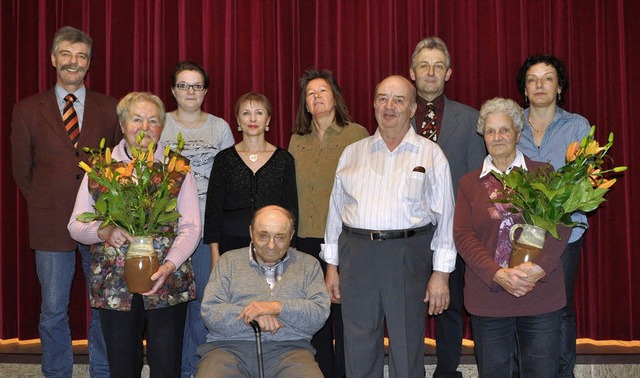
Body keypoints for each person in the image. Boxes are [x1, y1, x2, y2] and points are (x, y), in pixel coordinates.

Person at [322, 75, 457, 377]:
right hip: (356, 255)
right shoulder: (352, 154)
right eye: (382, 98)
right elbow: (335, 212)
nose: (389, 106)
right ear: (373, 105)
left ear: (412, 108)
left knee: (407, 345)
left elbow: (447, 217)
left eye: (399, 100)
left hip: (407, 255)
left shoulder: (431, 155)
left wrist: (441, 274)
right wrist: (331, 265)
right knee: (358, 344)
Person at [10, 26, 120, 378]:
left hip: (100, 223)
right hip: (50, 222)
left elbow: (119, 164)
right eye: (67, 54)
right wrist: (49, 201)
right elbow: (21, 172)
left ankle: (102, 371)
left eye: (82, 56)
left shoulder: (111, 108)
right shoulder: (27, 110)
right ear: (54, 58)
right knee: (53, 308)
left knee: (104, 304)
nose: (74, 62)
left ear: (89, 64)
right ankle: (56, 372)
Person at [68, 92, 201, 377]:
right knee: (123, 368)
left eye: (153, 121)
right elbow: (75, 226)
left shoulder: (176, 168)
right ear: (122, 123)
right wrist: (103, 231)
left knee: (167, 367)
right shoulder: (100, 168)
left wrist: (170, 265)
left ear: (162, 127)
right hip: (115, 285)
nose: (145, 127)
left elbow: (190, 227)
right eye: (137, 119)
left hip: (167, 282)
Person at [454, 97, 571, 377]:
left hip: (539, 294)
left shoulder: (544, 174)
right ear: (483, 137)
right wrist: (497, 273)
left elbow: (561, 227)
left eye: (504, 130)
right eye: (491, 131)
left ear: (518, 134)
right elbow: (463, 235)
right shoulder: (469, 184)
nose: (497, 137)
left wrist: (539, 268)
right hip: (489, 299)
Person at [409, 36, 486, 378]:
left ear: (449, 73)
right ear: (412, 72)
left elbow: (475, 182)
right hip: (405, 233)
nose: (431, 72)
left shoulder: (470, 120)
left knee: (452, 306)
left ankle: (446, 370)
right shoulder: (395, 113)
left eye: (438, 66)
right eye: (424, 65)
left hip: (452, 230)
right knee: (406, 307)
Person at [288, 68, 368, 377]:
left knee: (344, 313)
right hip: (305, 241)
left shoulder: (356, 134)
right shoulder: (297, 139)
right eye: (310, 94)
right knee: (315, 313)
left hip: (344, 240)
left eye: (322, 91)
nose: (317, 97)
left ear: (334, 96)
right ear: (305, 104)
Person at [515, 55, 590, 378]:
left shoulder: (576, 125)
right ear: (525, 88)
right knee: (518, 304)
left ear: (559, 87)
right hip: (517, 233)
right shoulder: (512, 123)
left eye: (547, 78)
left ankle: (562, 372)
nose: (539, 85)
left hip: (564, 234)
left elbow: (586, 179)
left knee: (559, 307)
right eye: (532, 79)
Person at [160, 60, 235, 377]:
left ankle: (199, 369)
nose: (190, 91)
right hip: (167, 233)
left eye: (197, 85)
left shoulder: (219, 128)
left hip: (207, 233)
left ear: (205, 90)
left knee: (204, 305)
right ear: (173, 90)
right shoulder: (159, 125)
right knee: (170, 308)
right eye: (183, 85)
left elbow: (231, 181)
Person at [196, 205, 329, 377]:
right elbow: (211, 313)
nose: (271, 245)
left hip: (291, 351)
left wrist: (276, 307)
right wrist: (253, 314)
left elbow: (319, 313)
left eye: (280, 237)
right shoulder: (228, 261)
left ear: (291, 235)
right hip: (226, 350)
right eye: (263, 236)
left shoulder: (308, 265)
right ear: (251, 232)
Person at [203, 92, 298, 262]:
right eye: (246, 113)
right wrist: (214, 254)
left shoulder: (284, 159)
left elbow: (291, 209)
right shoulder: (223, 159)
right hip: (230, 246)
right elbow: (213, 210)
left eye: (259, 113)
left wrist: (289, 248)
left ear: (268, 120)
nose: (252, 119)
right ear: (238, 121)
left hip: (273, 247)